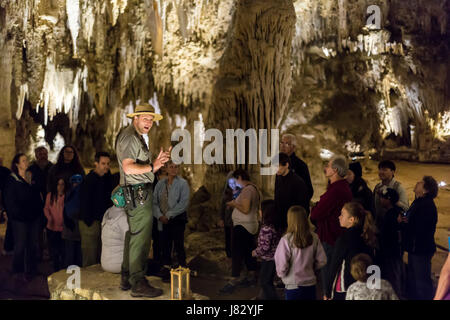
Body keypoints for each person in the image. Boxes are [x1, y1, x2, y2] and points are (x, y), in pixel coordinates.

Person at [116, 103, 170, 298]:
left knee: (134, 234)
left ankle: (126, 276)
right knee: (141, 237)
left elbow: (138, 167)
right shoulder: (130, 137)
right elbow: (129, 168)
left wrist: (156, 164)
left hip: (138, 192)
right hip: (138, 194)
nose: (149, 122)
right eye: (145, 118)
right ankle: (138, 282)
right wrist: (152, 166)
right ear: (135, 118)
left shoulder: (136, 137)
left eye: (151, 119)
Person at [310, 155, 352, 291]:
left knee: (328, 275)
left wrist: (315, 208)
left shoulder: (336, 190)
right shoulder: (339, 187)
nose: (325, 168)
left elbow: (316, 213)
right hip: (334, 236)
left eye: (327, 166)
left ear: (335, 170)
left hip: (330, 237)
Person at [323, 202, 377, 300]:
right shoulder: (368, 235)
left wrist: (327, 292)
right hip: (365, 286)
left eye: (342, 214)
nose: (339, 217)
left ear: (351, 219)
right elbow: (374, 264)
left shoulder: (344, 239)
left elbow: (334, 265)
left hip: (345, 288)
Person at [219, 168, 260, 295]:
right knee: (248, 251)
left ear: (240, 178)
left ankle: (234, 279)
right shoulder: (253, 188)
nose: (235, 183)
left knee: (237, 253)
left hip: (243, 226)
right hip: (248, 225)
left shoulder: (247, 190)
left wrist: (233, 204)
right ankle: (252, 276)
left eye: (235, 180)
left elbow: (246, 209)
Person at [3, 154, 44, 280]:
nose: (27, 162)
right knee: (20, 245)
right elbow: (10, 201)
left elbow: (37, 195)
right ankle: (18, 271)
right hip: (20, 219)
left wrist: (38, 211)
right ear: (17, 164)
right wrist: (16, 214)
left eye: (27, 160)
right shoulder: (12, 180)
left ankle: (31, 270)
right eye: (24, 160)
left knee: (33, 245)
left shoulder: (30, 177)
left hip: (33, 217)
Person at [274, 205, 327, 300]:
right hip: (310, 284)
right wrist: (311, 268)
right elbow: (322, 260)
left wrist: (282, 275)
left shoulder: (286, 240)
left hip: (293, 285)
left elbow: (281, 264)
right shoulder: (314, 237)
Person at [402, 176, 438, 300]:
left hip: (421, 250)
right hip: (415, 248)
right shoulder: (419, 202)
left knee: (421, 282)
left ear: (426, 190)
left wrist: (405, 223)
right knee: (414, 280)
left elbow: (420, 228)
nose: (417, 183)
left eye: (421, 183)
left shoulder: (426, 205)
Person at [79, 152, 114, 267]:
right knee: (90, 255)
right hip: (90, 222)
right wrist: (89, 221)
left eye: (108, 164)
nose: (106, 166)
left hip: (103, 221)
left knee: (101, 253)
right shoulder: (88, 180)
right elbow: (85, 203)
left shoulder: (108, 179)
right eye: (103, 163)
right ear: (96, 164)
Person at [153, 161, 190, 268]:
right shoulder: (160, 184)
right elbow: (154, 202)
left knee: (179, 246)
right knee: (165, 246)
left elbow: (183, 203)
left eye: (176, 167)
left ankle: (182, 269)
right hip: (162, 220)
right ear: (166, 169)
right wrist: (159, 215)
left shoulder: (183, 184)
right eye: (171, 167)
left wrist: (169, 214)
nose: (174, 169)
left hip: (177, 220)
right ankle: (166, 270)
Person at [252, 200, 281, 300]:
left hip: (268, 259)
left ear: (265, 213)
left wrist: (255, 252)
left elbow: (265, 247)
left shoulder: (266, 229)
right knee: (268, 281)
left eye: (260, 210)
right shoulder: (275, 226)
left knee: (264, 282)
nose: (258, 212)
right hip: (273, 259)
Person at [378, 188, 404, 298]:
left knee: (393, 277)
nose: (380, 200)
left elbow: (390, 234)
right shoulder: (396, 212)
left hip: (391, 252)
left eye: (382, 198)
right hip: (394, 251)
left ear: (388, 200)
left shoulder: (392, 214)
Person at [274, 152, 309, 232]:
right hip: (279, 222)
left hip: (292, 224)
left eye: (277, 166)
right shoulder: (278, 177)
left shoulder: (298, 182)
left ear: (286, 165)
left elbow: (303, 207)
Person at [373, 160, 408, 228]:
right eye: (380, 169)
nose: (381, 172)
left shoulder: (398, 188)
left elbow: (406, 208)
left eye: (385, 170)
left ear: (392, 172)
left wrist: (393, 200)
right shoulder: (377, 187)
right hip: (378, 225)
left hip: (392, 226)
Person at [280, 134, 314, 201]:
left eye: (287, 144)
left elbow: (309, 191)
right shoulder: (279, 163)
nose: (283, 146)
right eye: (282, 143)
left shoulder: (301, 165)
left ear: (293, 147)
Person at [44, 178, 66, 272]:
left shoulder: (66, 196)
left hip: (62, 228)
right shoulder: (50, 196)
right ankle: (55, 269)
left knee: (62, 249)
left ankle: (61, 268)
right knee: (54, 250)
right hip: (52, 227)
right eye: (58, 184)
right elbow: (46, 208)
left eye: (62, 184)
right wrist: (49, 218)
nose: (60, 187)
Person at [219, 172, 242, 259]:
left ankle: (237, 256)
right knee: (228, 238)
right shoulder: (226, 192)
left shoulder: (241, 191)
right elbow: (222, 206)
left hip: (238, 220)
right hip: (228, 220)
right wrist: (221, 218)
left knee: (237, 239)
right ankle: (229, 255)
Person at [62, 174, 83, 268]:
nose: (76, 184)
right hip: (75, 226)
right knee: (76, 253)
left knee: (71, 252)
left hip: (71, 226)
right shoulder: (74, 193)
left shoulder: (69, 193)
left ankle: (70, 274)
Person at [101, 205, 129, 273]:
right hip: (118, 266)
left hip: (105, 264)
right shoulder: (124, 217)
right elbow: (130, 243)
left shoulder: (108, 211)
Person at [151, 165, 168, 263]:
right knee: (158, 241)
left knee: (166, 241)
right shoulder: (155, 185)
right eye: (164, 174)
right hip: (157, 219)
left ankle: (165, 262)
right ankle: (158, 263)